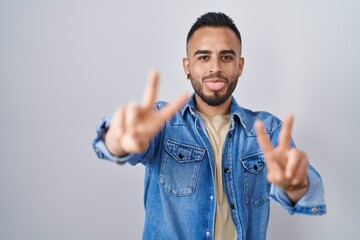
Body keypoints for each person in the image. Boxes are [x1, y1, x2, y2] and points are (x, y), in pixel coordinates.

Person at [93, 12, 326, 240]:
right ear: (187, 66)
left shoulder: (267, 130)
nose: (215, 68)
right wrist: (117, 140)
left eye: (226, 57)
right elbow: (117, 143)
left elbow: (300, 185)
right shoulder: (162, 123)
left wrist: (295, 185)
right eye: (203, 57)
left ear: (240, 66)